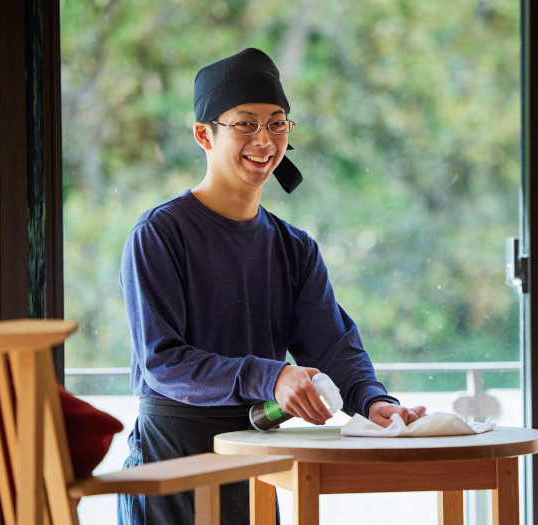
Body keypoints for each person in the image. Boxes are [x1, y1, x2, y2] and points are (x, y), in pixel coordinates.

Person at [116, 48, 426, 524]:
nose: (264, 139)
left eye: (277, 123)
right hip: (171, 469)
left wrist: (375, 402)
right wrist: (272, 376)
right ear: (204, 134)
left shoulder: (294, 248)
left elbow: (333, 348)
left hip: (257, 460)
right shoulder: (160, 233)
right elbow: (162, 361)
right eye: (245, 123)